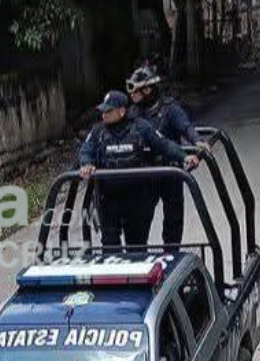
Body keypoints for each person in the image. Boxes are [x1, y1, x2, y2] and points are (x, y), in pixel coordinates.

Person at [79, 91, 197, 248]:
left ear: (121, 111)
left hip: (137, 199)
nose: (104, 115)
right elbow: (85, 150)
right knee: (110, 246)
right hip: (108, 199)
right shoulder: (98, 131)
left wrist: (184, 156)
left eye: (108, 111)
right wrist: (86, 164)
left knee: (137, 246)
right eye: (103, 111)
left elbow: (163, 144)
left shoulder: (141, 127)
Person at [127, 64, 207, 248]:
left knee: (173, 218)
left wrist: (197, 141)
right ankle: (137, 256)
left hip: (170, 171)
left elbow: (185, 127)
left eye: (136, 90)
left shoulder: (169, 109)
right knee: (139, 219)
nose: (132, 95)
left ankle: (171, 253)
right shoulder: (133, 113)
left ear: (147, 89)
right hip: (145, 173)